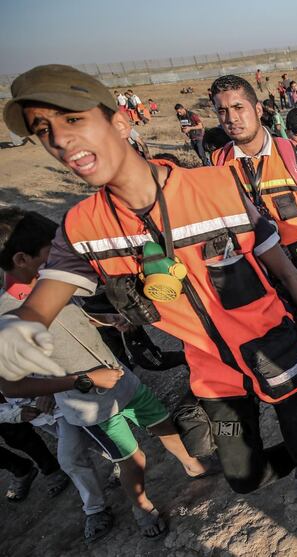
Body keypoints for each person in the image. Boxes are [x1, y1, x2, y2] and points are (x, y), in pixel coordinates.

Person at [0, 64, 297, 553]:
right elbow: (40, 304)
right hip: (214, 376)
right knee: (244, 476)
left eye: (72, 120)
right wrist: (17, 330)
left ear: (121, 122)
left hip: (277, 354)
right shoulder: (83, 227)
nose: (59, 139)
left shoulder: (218, 187)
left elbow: (288, 273)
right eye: (44, 131)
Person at [0, 207, 214, 540]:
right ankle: (142, 508)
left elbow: (75, 317)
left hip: (120, 379)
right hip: (87, 403)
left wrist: (107, 321)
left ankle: (191, 464)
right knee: (132, 458)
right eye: (49, 254)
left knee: (159, 420)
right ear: (21, 258)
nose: (57, 259)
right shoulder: (7, 318)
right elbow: (9, 386)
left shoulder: (53, 281)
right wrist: (82, 380)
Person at [208, 75, 297, 321]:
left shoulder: (296, 156)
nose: (231, 118)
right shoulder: (217, 164)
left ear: (258, 109)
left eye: (238, 107)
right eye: (222, 111)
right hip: (266, 280)